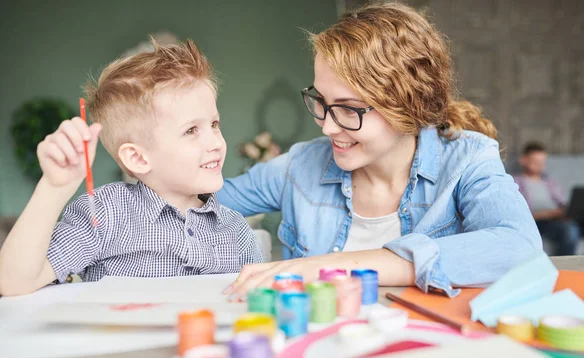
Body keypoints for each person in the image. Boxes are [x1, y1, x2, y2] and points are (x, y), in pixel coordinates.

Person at [220, 2, 541, 299]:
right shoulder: (301, 165)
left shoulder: (468, 159)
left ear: (407, 106)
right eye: (321, 101)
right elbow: (205, 200)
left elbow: (520, 247)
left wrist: (331, 268)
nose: (327, 127)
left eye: (349, 109)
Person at [0, 39, 262, 296]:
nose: (215, 142)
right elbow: (13, 283)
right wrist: (53, 188)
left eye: (214, 124)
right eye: (191, 130)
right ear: (138, 158)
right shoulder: (105, 213)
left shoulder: (235, 230)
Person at [513, 142, 580, 256]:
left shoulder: (549, 182)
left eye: (542, 162)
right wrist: (549, 214)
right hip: (536, 222)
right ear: (523, 160)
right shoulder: (515, 182)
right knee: (569, 230)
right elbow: (517, 213)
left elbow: (563, 203)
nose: (540, 165)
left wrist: (567, 211)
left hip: (556, 219)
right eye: (536, 161)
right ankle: (565, 268)